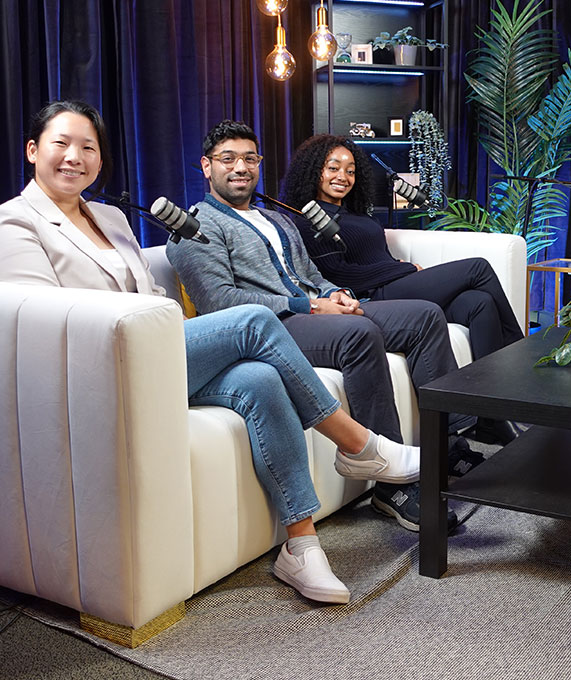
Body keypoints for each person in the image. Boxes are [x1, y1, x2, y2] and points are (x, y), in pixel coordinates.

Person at [0, 100, 423, 607]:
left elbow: (149, 296)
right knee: (255, 321)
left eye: (87, 146)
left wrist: (174, 328)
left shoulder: (110, 217)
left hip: (157, 350)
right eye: (61, 144)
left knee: (261, 380)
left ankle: (302, 545)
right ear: (32, 151)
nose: (75, 157)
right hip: (97, 370)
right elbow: (41, 323)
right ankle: (360, 447)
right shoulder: (15, 223)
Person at [166, 120, 470, 532]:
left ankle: (446, 444)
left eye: (249, 158)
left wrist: (339, 293)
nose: (241, 167)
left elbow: (310, 272)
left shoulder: (277, 218)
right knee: (359, 336)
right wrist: (309, 305)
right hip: (274, 326)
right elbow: (221, 304)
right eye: (228, 159)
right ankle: (389, 485)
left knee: (423, 316)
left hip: (314, 309)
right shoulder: (194, 228)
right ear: (206, 166)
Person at [281, 134, 525, 445]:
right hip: (377, 294)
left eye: (351, 170)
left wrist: (395, 264)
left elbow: (372, 256)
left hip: (394, 282)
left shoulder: (356, 214)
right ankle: (521, 357)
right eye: (333, 168)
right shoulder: (308, 220)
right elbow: (340, 274)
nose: (343, 176)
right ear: (314, 170)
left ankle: (491, 416)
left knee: (478, 303)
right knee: (477, 267)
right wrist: (404, 268)